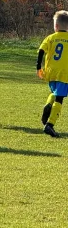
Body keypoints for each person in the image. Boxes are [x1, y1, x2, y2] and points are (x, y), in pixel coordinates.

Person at [36, 10, 68, 138]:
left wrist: (38, 67)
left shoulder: (50, 38)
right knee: (59, 98)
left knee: (54, 93)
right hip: (64, 73)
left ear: (56, 26)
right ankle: (50, 124)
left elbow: (41, 51)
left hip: (51, 72)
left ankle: (49, 104)